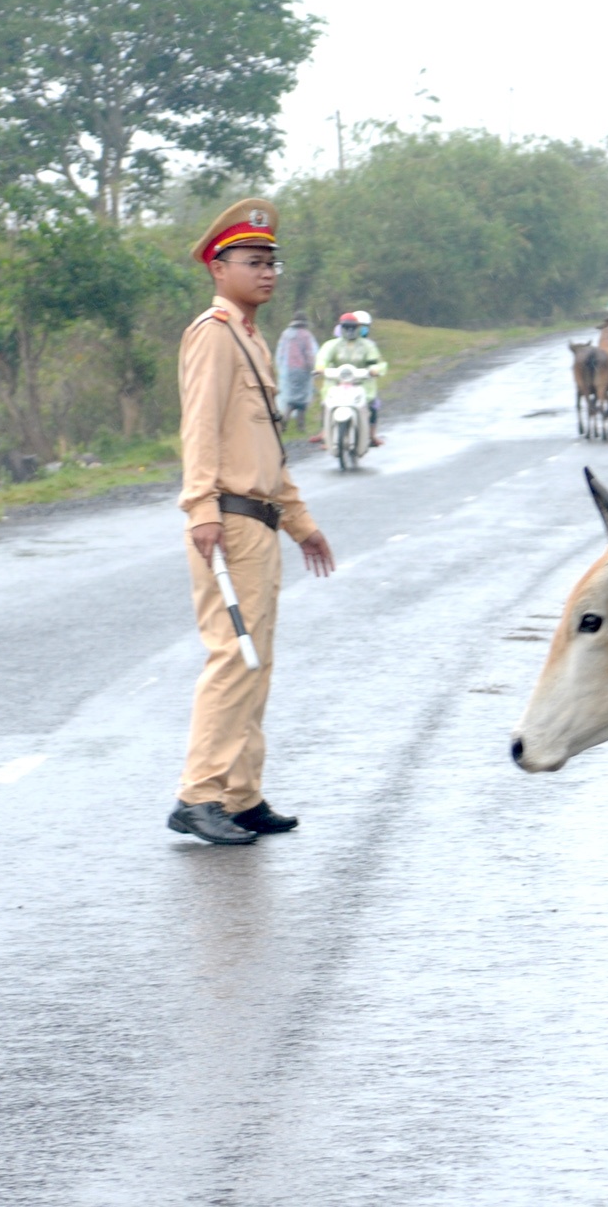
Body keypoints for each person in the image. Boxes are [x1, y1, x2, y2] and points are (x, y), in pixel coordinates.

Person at [171, 198, 336, 846]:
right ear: (219, 267)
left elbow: (267, 450)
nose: (268, 272)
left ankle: (240, 796)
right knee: (231, 656)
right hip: (228, 523)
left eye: (273, 261)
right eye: (253, 261)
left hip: (259, 523)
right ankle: (198, 794)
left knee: (255, 661)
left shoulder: (251, 339)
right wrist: (202, 509)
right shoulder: (212, 335)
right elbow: (200, 430)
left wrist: (302, 524)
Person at [315, 310, 389, 446]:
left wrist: (374, 369)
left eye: (353, 327)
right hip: (337, 380)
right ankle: (327, 434)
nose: (350, 331)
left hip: (361, 381)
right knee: (327, 403)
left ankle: (371, 434)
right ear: (341, 327)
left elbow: (376, 362)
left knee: (372, 404)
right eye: (346, 327)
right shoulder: (334, 343)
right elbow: (323, 356)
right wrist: (321, 367)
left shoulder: (367, 345)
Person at [274, 311, 318, 429]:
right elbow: (309, 353)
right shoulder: (306, 335)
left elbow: (281, 353)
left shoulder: (286, 334)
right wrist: (312, 368)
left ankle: (285, 421)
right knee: (302, 400)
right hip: (302, 370)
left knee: (291, 398)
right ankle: (300, 425)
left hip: (288, 370)